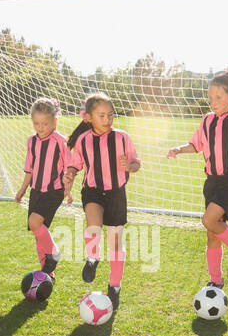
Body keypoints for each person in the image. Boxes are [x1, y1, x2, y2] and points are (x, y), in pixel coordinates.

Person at [166, 70, 228, 288]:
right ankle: (215, 281)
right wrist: (179, 149)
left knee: (209, 220)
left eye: (219, 98)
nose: (213, 102)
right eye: (211, 98)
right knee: (212, 233)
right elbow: (196, 144)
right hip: (212, 181)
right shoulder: (207, 120)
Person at [61, 93, 140, 313]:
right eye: (102, 115)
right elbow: (75, 165)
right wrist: (69, 175)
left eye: (110, 115)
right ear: (89, 117)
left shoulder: (122, 137)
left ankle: (114, 286)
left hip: (116, 193)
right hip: (93, 190)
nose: (107, 119)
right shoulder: (83, 140)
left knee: (115, 243)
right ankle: (93, 257)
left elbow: (136, 162)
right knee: (93, 225)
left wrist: (130, 166)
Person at [12, 97, 70, 274]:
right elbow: (29, 168)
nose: (40, 127)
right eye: (36, 123)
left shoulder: (60, 141)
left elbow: (69, 168)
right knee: (38, 235)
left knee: (34, 222)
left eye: (44, 123)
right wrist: (22, 189)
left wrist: (68, 190)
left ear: (55, 122)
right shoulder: (32, 141)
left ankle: (54, 253)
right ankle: (47, 273)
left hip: (54, 191)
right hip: (36, 190)